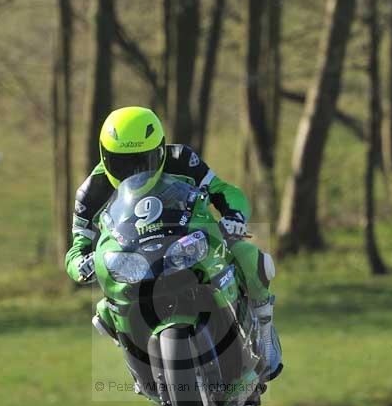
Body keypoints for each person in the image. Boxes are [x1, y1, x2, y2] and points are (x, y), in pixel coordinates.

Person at [65, 106, 283, 380]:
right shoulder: (90, 191)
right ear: (104, 156)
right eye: (122, 163)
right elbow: (77, 247)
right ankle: (141, 367)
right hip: (135, 261)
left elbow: (224, 191)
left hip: (187, 243)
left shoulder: (182, 159)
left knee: (250, 257)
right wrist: (80, 265)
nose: (133, 172)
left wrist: (233, 216)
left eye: (142, 161)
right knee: (103, 312)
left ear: (159, 150)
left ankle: (264, 329)